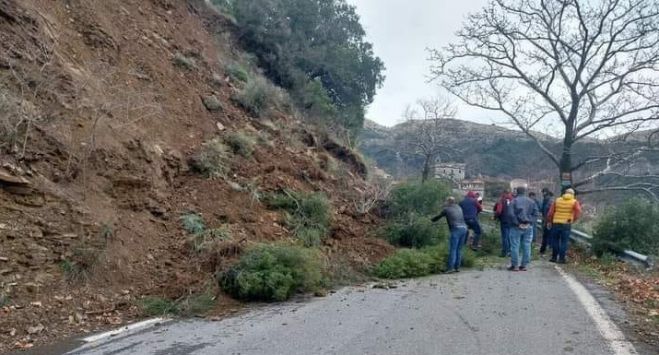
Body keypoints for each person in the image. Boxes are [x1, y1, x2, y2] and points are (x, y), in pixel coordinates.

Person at [432, 197, 468, 273]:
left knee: (453, 249)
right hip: (464, 228)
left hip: (456, 229)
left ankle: (450, 268)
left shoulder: (446, 209)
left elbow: (438, 217)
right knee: (459, 249)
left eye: (446, 201)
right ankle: (457, 267)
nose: (445, 202)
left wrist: (431, 220)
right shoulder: (459, 207)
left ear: (448, 202)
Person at [547, 188, 582, 264]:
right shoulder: (574, 202)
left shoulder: (557, 200)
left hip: (556, 222)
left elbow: (550, 212)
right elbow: (578, 211)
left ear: (565, 193)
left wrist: (550, 221)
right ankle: (561, 259)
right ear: (573, 194)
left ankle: (554, 257)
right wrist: (573, 219)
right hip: (566, 224)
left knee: (555, 240)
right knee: (564, 241)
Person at [508, 187, 539, 271]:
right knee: (527, 245)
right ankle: (524, 265)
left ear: (516, 192)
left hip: (516, 226)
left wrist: (517, 223)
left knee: (515, 245)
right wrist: (529, 222)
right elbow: (536, 214)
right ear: (525, 192)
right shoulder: (532, 202)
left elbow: (511, 214)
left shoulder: (513, 201)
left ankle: (515, 265)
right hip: (528, 226)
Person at [494, 189, 514, 257]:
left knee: (505, 237)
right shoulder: (513, 200)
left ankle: (504, 252)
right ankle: (511, 252)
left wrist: (495, 217)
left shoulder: (501, 200)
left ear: (504, 193)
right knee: (510, 236)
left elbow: (498, 211)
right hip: (512, 221)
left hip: (504, 220)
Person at [539, 188, 555, 255]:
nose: (542, 194)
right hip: (547, 220)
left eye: (542, 192)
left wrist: (548, 221)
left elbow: (549, 212)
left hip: (548, 220)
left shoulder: (549, 201)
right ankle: (547, 248)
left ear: (545, 193)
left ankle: (545, 249)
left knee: (547, 235)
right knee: (547, 235)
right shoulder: (546, 200)